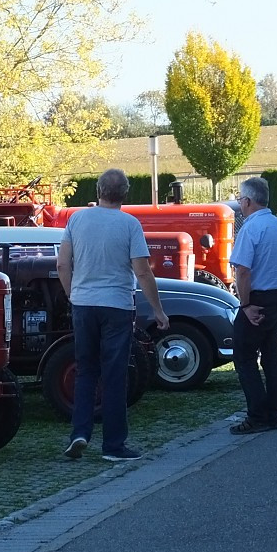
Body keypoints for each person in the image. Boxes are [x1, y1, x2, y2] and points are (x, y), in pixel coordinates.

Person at [57, 169, 169, 461]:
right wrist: (158, 310)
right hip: (117, 305)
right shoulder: (130, 224)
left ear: (98, 190)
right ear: (125, 193)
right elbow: (142, 271)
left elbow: (62, 264)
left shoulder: (77, 219)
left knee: (85, 370)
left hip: (83, 304)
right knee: (115, 374)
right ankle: (113, 446)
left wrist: (72, 294)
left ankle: (79, 433)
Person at [228, 177, 277, 434]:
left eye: (240, 200)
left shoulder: (251, 228)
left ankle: (257, 415)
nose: (240, 204)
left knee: (244, 356)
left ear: (247, 201)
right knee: (271, 355)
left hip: (256, 299)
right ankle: (274, 413)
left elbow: (243, 270)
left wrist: (245, 304)